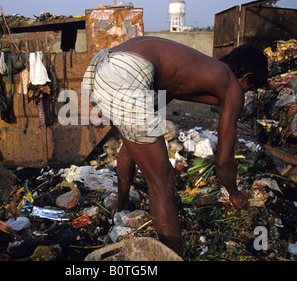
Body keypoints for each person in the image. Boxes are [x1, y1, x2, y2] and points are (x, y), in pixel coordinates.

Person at [82, 36, 268, 256]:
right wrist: (235, 194)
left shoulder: (190, 70)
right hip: (128, 72)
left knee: (132, 145)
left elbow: (137, 140)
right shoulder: (230, 83)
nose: (244, 94)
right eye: (249, 88)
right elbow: (224, 161)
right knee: (162, 183)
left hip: (104, 67)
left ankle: (121, 208)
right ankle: (174, 257)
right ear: (246, 77)